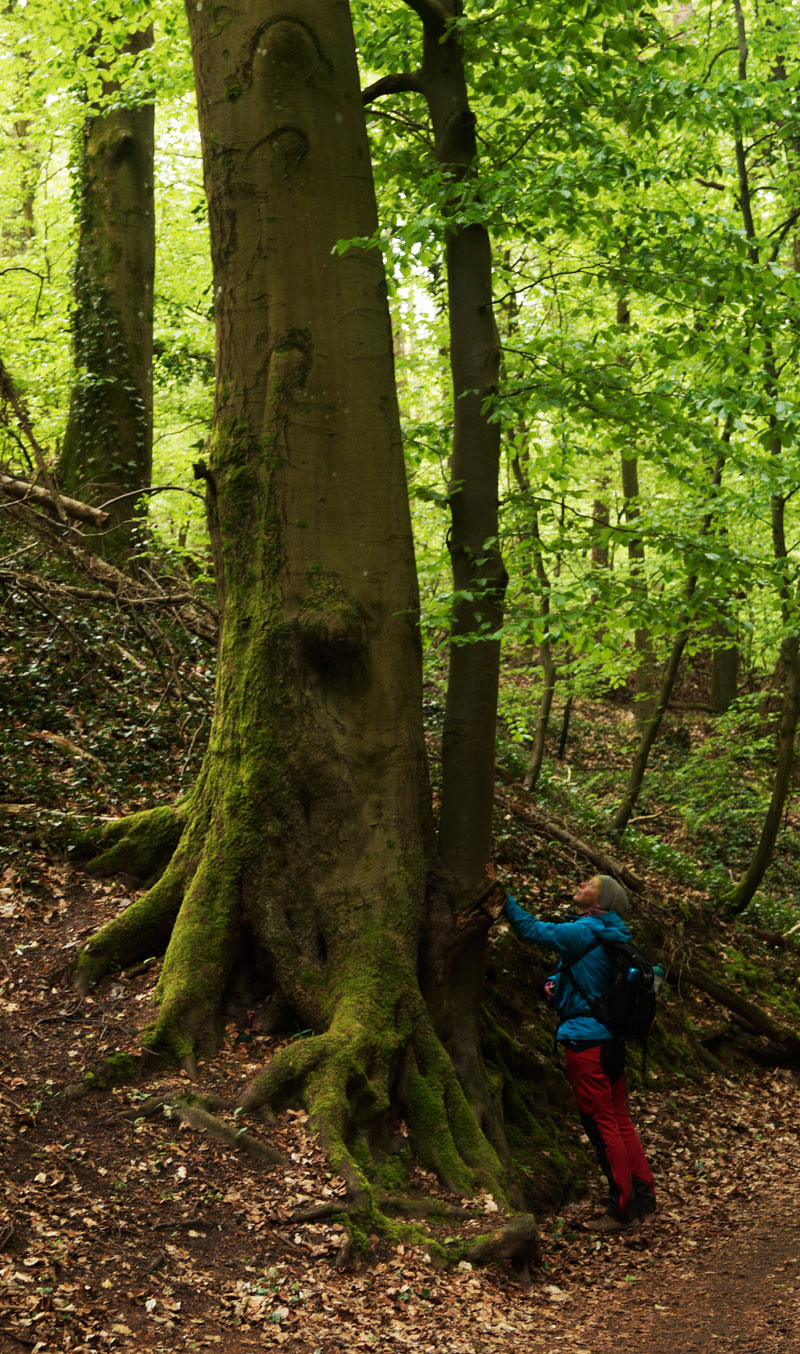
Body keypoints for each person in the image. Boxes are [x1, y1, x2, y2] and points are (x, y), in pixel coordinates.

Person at [499, 873, 656, 1233]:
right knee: (620, 1121)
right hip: (609, 1043)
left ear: (601, 902)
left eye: (589, 885)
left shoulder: (584, 931)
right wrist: (558, 986)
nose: (580, 886)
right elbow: (592, 979)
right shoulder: (609, 933)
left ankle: (622, 1211)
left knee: (604, 1128)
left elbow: (533, 931)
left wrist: (505, 898)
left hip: (586, 1046)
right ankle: (644, 1201)